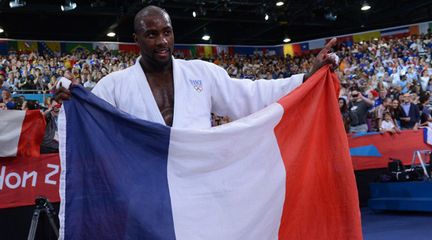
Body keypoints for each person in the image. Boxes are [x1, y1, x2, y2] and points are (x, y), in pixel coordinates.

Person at [56, 5, 338, 128]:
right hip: (144, 186)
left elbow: (249, 95)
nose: (162, 41)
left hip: (196, 182)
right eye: (151, 34)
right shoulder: (114, 85)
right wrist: (70, 103)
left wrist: (306, 77)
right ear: (137, 39)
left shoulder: (201, 72)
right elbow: (87, 124)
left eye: (166, 32)